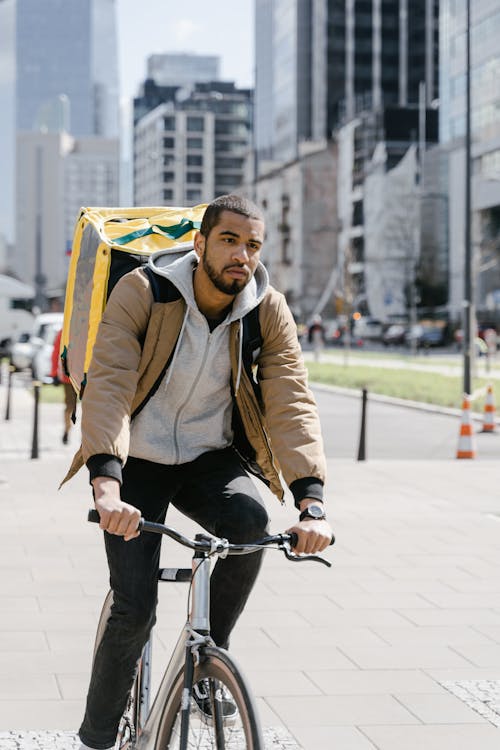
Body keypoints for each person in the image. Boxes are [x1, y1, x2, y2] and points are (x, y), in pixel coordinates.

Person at [64, 194, 332, 750]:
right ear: (201, 242)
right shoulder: (145, 290)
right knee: (135, 610)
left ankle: (213, 657)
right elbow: (110, 383)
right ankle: (94, 738)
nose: (242, 255)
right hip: (137, 459)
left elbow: (291, 400)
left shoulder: (265, 307)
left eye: (253, 245)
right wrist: (107, 485)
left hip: (209, 458)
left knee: (253, 524)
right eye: (230, 241)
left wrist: (312, 501)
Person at [50, 327, 77, 445]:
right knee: (70, 406)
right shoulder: (63, 332)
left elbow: (56, 353)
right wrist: (54, 373)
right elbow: (56, 352)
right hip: (71, 376)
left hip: (79, 376)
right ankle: (67, 430)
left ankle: (80, 435)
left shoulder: (64, 331)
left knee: (76, 407)